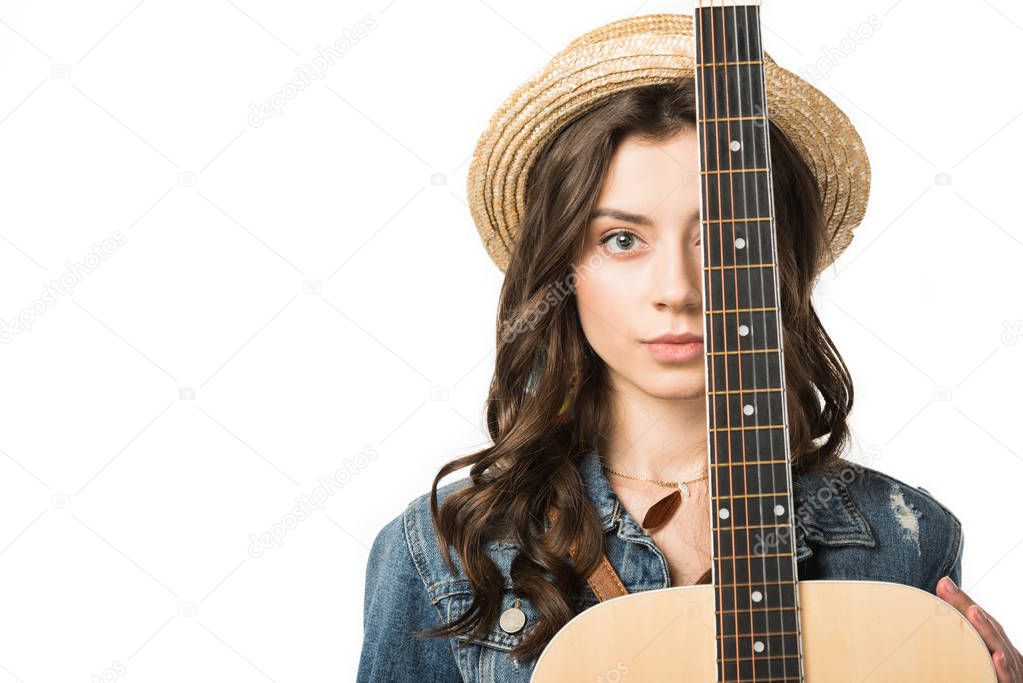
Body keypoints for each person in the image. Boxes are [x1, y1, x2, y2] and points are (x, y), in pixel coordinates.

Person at [357, 13, 1021, 683]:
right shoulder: (441, 550)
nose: (676, 289)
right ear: (563, 267)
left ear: (777, 261)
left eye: (720, 240)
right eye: (621, 239)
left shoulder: (903, 537)